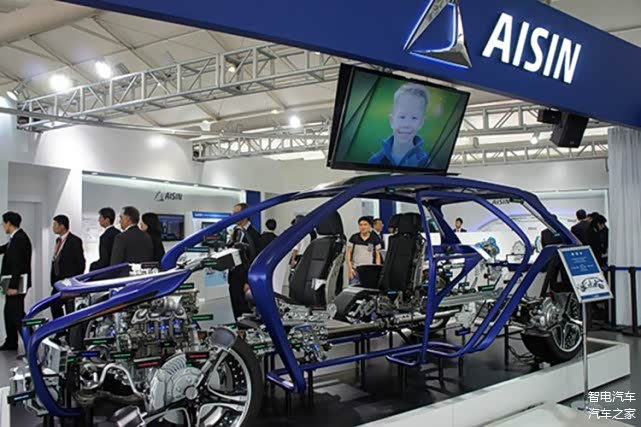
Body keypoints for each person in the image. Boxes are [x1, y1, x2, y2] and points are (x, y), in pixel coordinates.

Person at [369, 83, 430, 168]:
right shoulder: (376, 160)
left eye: (414, 118)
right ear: (391, 120)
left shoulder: (425, 162)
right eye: (402, 117)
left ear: (421, 123)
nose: (406, 124)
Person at [0, 212, 31, 351]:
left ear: (8, 223)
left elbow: (17, 265)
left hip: (17, 284)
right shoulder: (16, 238)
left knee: (17, 314)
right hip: (14, 282)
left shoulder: (19, 239)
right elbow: (5, 249)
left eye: (3, 223)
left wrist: (13, 286)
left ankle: (31, 343)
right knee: (9, 312)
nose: (3, 226)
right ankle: (11, 342)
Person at [228, 203, 262, 320]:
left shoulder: (254, 235)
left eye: (236, 213)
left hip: (245, 280)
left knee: (245, 311)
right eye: (233, 213)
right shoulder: (236, 233)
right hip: (234, 277)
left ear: (246, 214)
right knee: (236, 309)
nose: (233, 216)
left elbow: (255, 259)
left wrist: (248, 281)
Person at [50, 215, 86, 319]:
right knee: (54, 305)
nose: (53, 227)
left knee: (70, 309)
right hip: (58, 281)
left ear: (62, 226)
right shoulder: (58, 241)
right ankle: (60, 328)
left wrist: (76, 280)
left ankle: (69, 329)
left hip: (69, 282)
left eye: (55, 225)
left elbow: (81, 262)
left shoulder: (74, 240)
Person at [346, 216, 382, 284]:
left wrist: (378, 270)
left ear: (370, 226)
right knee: (354, 288)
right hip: (355, 270)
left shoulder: (375, 238)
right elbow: (348, 253)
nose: (363, 227)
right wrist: (350, 268)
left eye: (365, 225)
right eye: (361, 225)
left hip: (369, 270)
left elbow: (378, 256)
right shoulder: (354, 237)